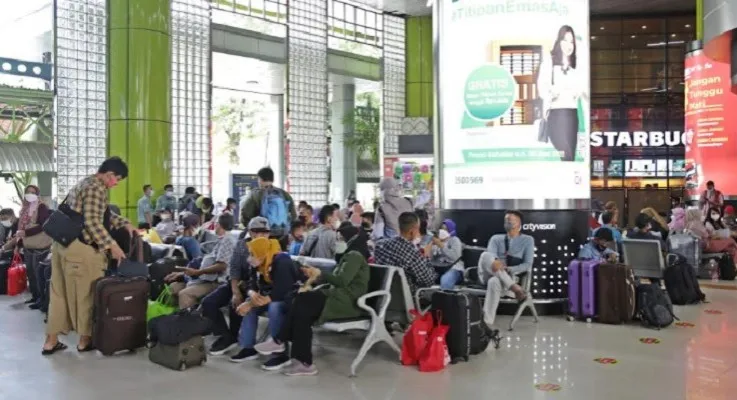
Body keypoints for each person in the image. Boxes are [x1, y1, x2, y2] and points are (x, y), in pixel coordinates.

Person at [43, 157, 134, 355]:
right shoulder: (96, 188)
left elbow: (94, 214)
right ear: (109, 174)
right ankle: (85, 340)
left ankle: (51, 341)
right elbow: (92, 222)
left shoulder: (85, 183)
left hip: (62, 245)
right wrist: (113, 246)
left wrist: (123, 222)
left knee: (58, 294)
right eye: (116, 179)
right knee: (86, 294)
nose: (116, 184)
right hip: (81, 250)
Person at [260, 239, 370, 375]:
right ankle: (304, 363)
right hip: (337, 298)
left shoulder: (354, 256)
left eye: (340, 237)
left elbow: (342, 281)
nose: (337, 241)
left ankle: (280, 340)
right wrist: (316, 277)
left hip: (347, 302)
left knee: (301, 300)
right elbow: (337, 281)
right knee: (302, 312)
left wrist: (320, 274)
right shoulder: (348, 258)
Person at [203, 217, 271, 356]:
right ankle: (226, 335)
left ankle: (234, 335)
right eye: (258, 232)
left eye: (265, 232)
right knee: (208, 303)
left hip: (258, 288)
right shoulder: (241, 245)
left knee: (234, 305)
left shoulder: (272, 247)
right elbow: (234, 270)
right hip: (237, 283)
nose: (262, 235)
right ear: (251, 232)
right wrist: (235, 292)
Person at [230, 237, 296, 363]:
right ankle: (248, 348)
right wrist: (251, 292)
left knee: (274, 307)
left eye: (252, 253)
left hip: (288, 299)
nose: (249, 257)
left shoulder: (282, 261)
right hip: (270, 296)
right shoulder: (260, 263)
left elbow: (283, 289)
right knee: (250, 306)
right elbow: (250, 281)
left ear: (261, 252)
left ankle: (280, 353)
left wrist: (250, 303)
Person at [166, 214, 237, 309]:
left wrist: (197, 272)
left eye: (215, 224)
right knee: (173, 288)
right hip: (205, 277)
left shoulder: (228, 240)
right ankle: (173, 317)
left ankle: (188, 320)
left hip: (217, 282)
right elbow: (203, 261)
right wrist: (184, 274)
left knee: (185, 294)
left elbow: (222, 265)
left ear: (219, 225)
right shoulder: (220, 241)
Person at [537, 25, 586, 162]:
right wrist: (553, 92)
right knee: (564, 151)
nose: (569, 45)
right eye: (565, 40)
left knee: (570, 154)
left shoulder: (575, 65)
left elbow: (581, 87)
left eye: (572, 42)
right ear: (559, 41)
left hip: (572, 112)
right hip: (556, 112)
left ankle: (569, 180)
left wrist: (576, 91)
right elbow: (542, 87)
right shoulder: (549, 62)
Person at [481, 210, 532, 329]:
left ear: (519, 224)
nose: (508, 222)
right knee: (486, 256)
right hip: (489, 272)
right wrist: (497, 262)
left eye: (511, 220)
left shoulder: (528, 240)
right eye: (506, 221)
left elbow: (527, 264)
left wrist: (509, 268)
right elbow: (491, 260)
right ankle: (514, 287)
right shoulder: (496, 238)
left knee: (494, 281)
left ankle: (487, 323)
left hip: (506, 277)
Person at [374, 212, 437, 293]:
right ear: (412, 231)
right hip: (410, 297)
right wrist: (426, 256)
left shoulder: (380, 245)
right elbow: (429, 281)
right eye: (418, 228)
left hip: (383, 293)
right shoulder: (411, 252)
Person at [14, 185, 52, 310]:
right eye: (28, 192)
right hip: (27, 246)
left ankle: (41, 299)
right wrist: (18, 245)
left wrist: (27, 233)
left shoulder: (41, 207)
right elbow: (21, 229)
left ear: (38, 194)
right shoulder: (24, 209)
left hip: (39, 246)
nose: (30, 194)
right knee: (31, 273)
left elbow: (44, 225)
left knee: (38, 274)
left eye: (33, 192)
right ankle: (35, 296)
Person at [240, 167, 297, 245]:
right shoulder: (284, 194)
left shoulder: (255, 195)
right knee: (280, 256)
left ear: (260, 179)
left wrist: (252, 229)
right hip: (282, 236)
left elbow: (245, 215)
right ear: (272, 179)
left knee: (261, 256)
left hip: (261, 237)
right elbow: (294, 216)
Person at [431, 219, 465, 289]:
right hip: (438, 268)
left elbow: (455, 257)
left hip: (454, 268)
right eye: (442, 229)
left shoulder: (455, 240)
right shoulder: (436, 241)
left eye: (446, 229)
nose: (443, 231)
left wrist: (441, 246)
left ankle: (445, 299)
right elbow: (431, 258)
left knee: (446, 280)